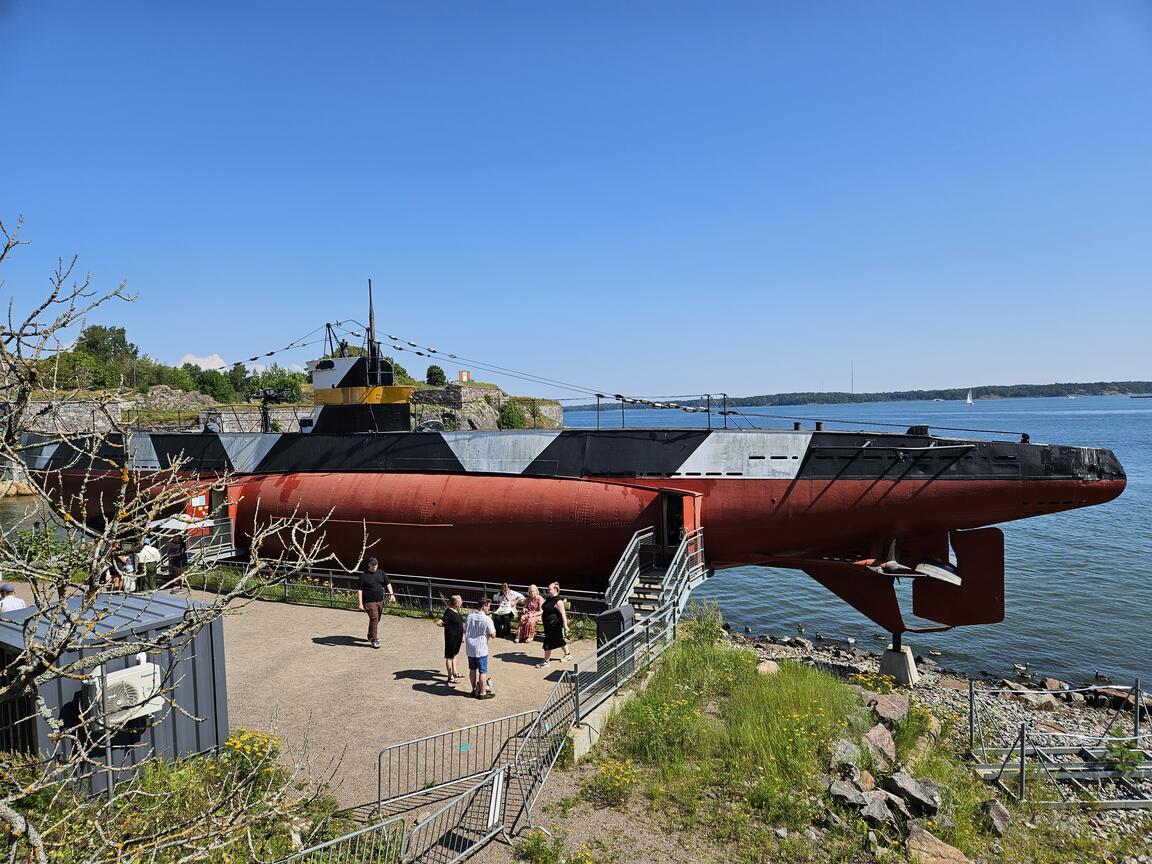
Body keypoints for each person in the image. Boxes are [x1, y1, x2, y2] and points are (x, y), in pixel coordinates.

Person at [357, 557, 394, 649]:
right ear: (368, 565)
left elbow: (388, 583)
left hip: (380, 601)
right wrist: (360, 603)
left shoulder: (381, 573)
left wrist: (391, 594)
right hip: (369, 602)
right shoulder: (363, 576)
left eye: (376, 564)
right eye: (372, 564)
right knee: (374, 618)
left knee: (376, 619)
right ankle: (374, 639)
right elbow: (360, 590)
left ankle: (370, 635)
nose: (374, 566)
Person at [464, 597, 497, 699]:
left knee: (472, 670)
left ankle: (474, 689)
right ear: (483, 606)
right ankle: (482, 693)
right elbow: (493, 635)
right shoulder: (487, 619)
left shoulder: (469, 616)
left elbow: (465, 629)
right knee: (483, 672)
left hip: (470, 648)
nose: (489, 608)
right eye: (488, 606)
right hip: (481, 649)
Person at [537, 582, 571, 668]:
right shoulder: (549, 598)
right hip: (548, 625)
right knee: (558, 639)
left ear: (555, 590)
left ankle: (546, 662)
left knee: (547, 642)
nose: (548, 590)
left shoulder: (558, 601)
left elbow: (563, 613)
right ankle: (568, 654)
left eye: (549, 589)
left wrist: (565, 625)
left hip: (554, 625)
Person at [435, 594, 465, 684]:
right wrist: (447, 627)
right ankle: (450, 676)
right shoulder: (449, 612)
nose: (461, 602)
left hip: (458, 637)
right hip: (451, 638)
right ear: (456, 603)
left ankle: (455, 672)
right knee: (449, 657)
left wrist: (461, 637)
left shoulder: (456, 611)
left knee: (455, 654)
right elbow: (439, 622)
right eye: (460, 601)